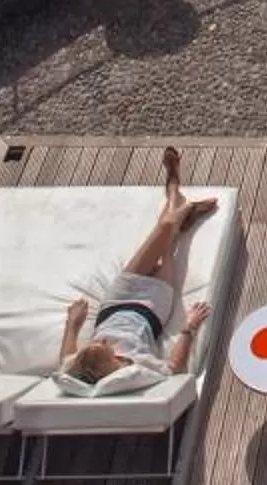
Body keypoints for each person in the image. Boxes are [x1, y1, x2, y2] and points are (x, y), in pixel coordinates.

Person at [54, 146, 216, 393]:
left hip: (117, 299)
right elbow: (174, 368)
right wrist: (189, 327)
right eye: (105, 345)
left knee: (162, 232)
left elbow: (65, 359)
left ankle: (177, 200)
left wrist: (73, 324)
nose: (103, 339)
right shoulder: (137, 366)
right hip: (152, 308)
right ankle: (178, 201)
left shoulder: (77, 367)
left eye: (98, 341)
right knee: (168, 243)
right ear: (115, 362)